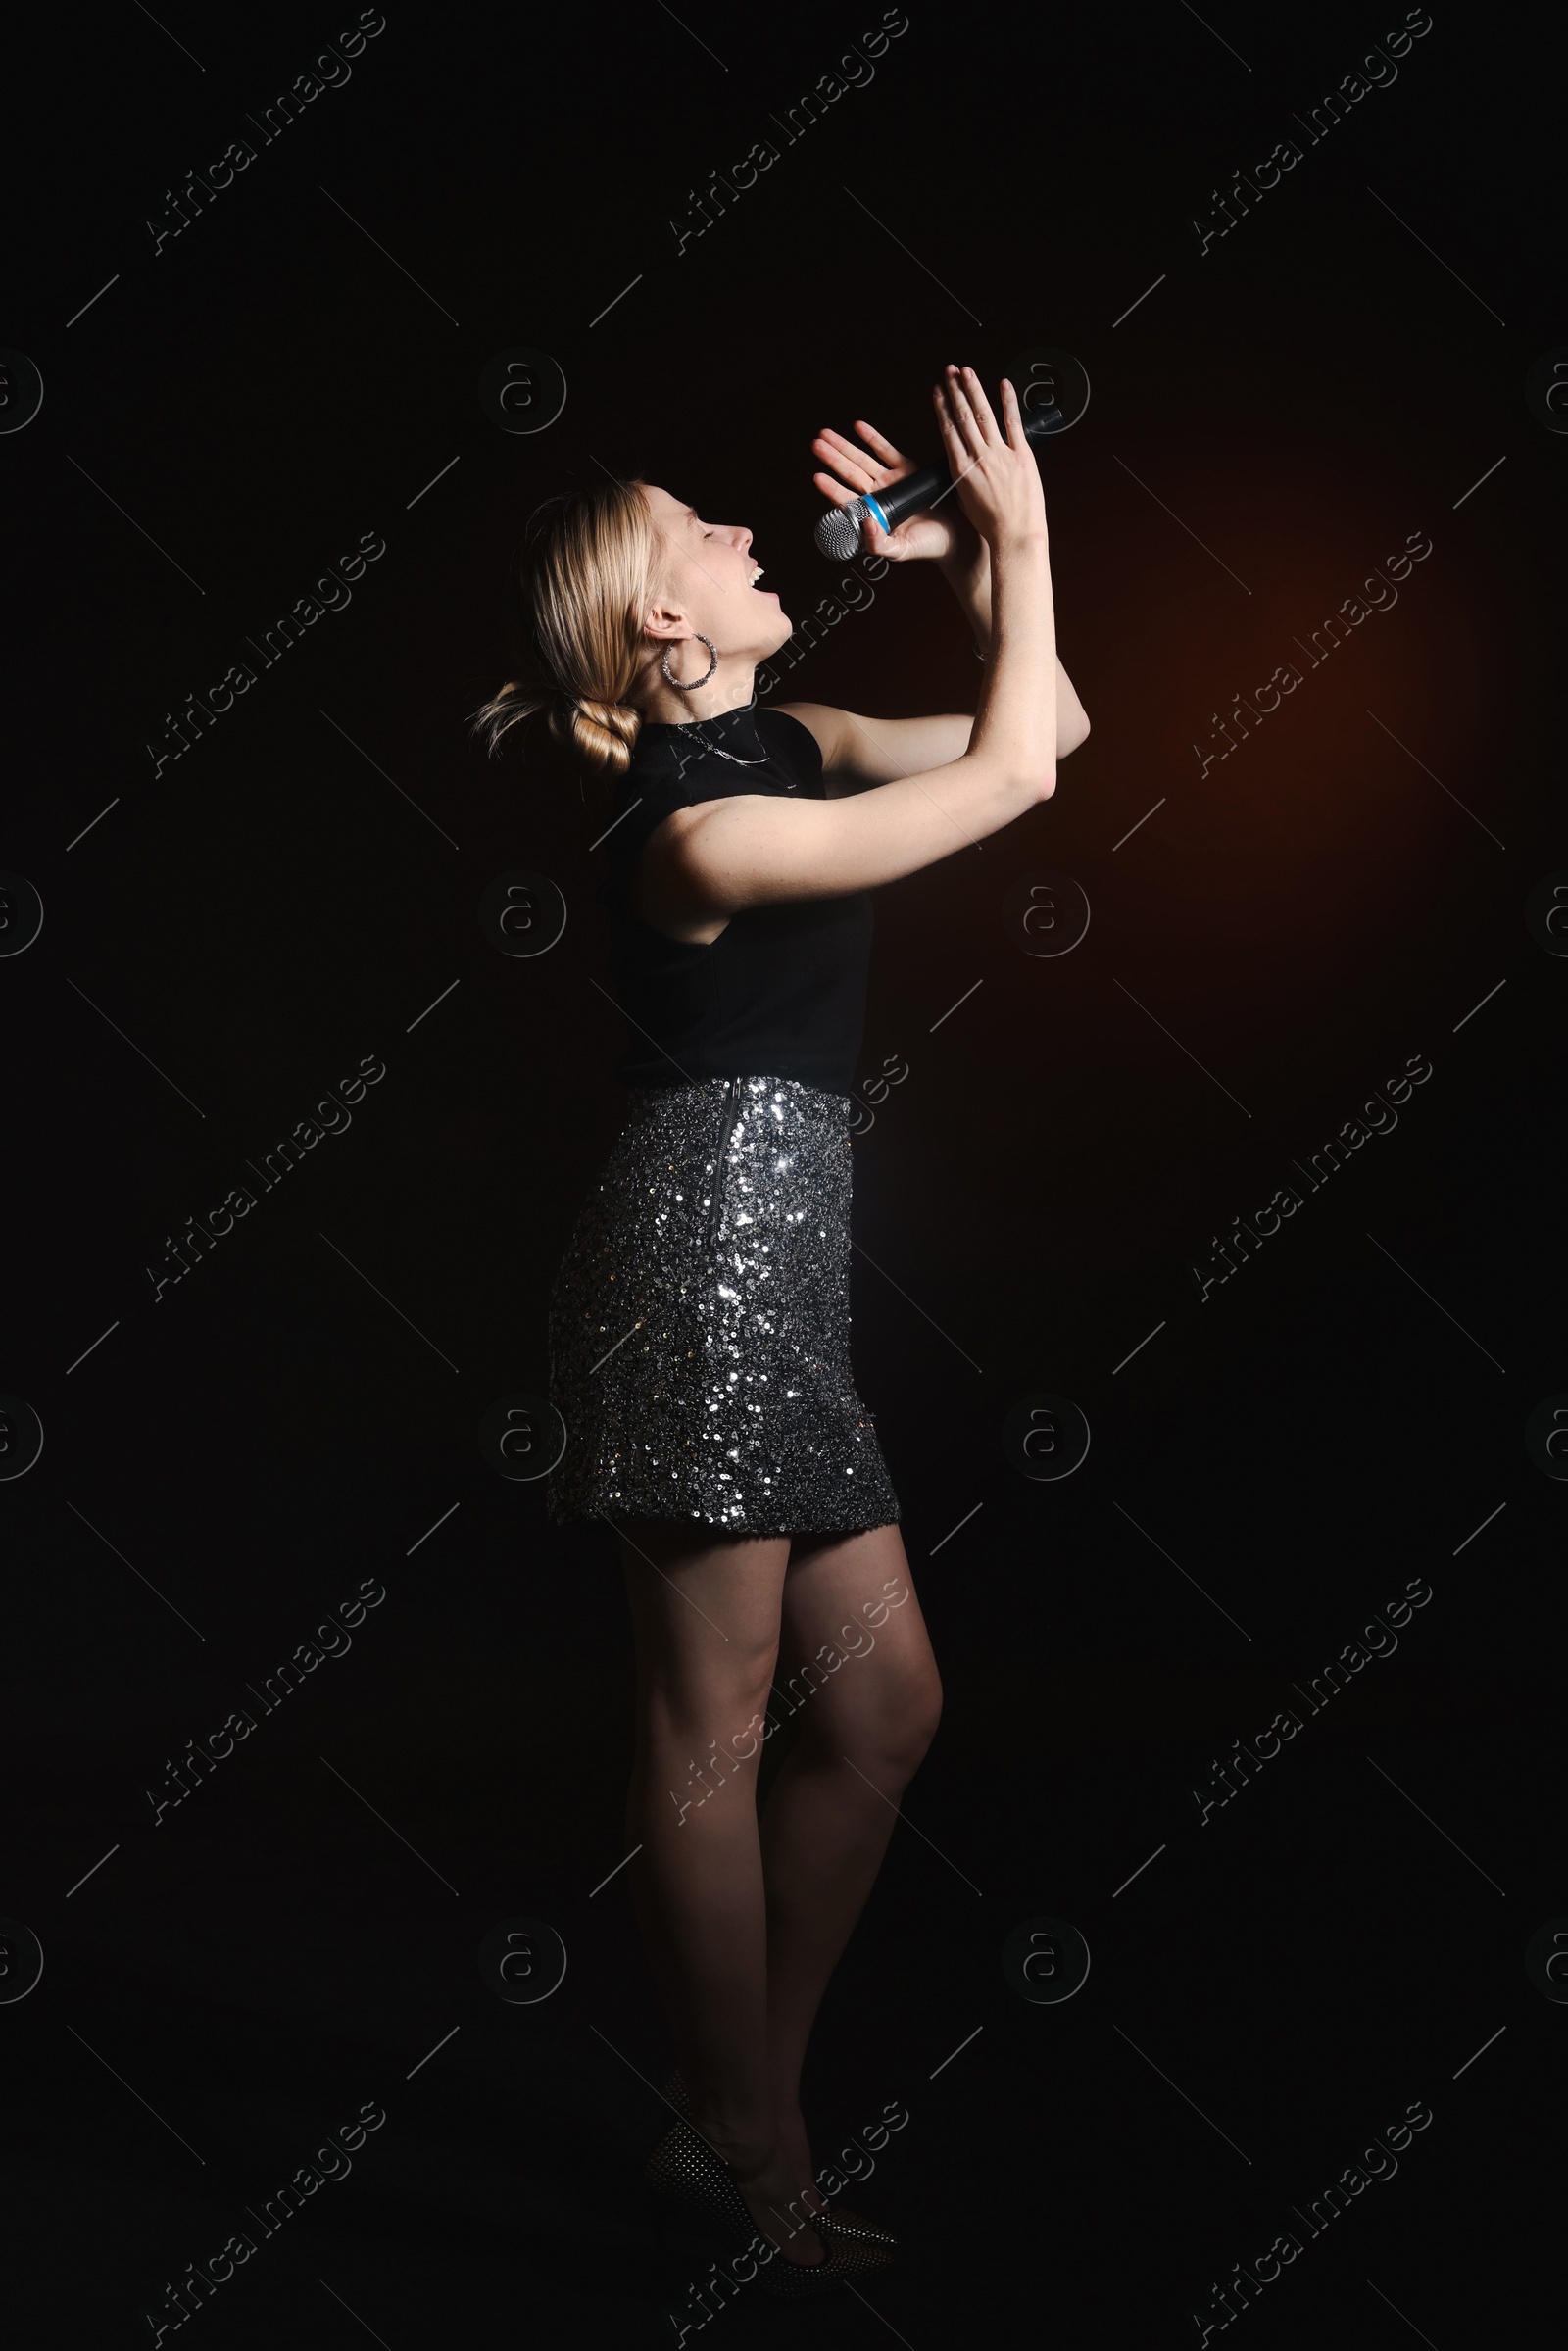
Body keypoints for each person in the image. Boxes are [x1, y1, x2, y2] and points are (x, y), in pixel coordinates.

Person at [473, 367, 1089, 2295]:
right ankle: (742, 2133)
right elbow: (1011, 788)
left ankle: (734, 2104)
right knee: (710, 1736)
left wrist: (969, 561)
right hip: (691, 1281)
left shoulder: (800, 741)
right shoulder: (685, 841)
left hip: (779, 1273)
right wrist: (1027, 526)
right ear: (661, 623)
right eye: (702, 534)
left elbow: (1045, 714)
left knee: (886, 1710)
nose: (749, 534)